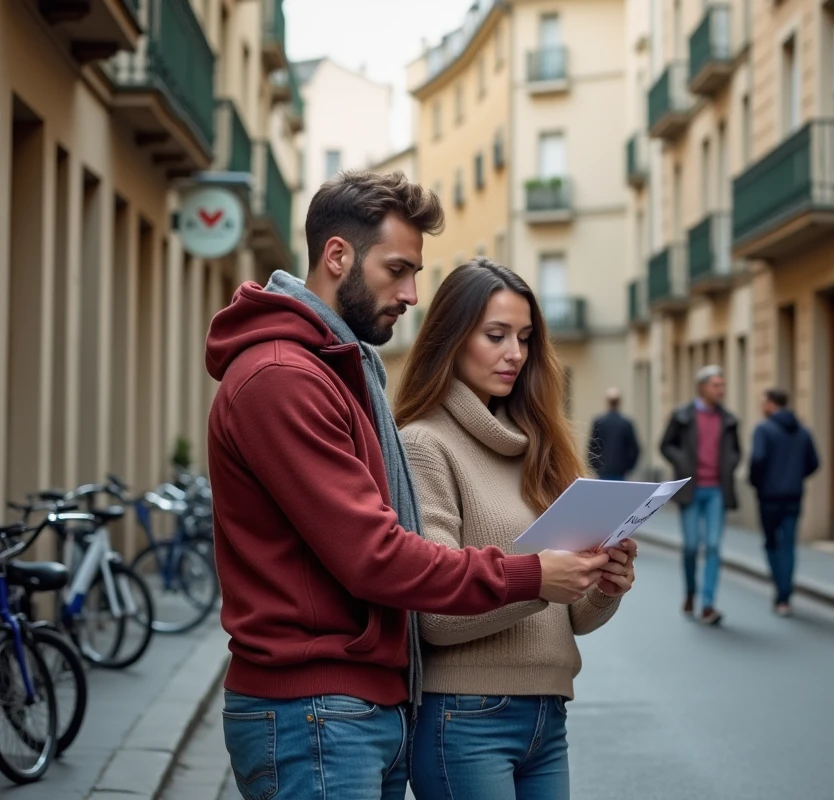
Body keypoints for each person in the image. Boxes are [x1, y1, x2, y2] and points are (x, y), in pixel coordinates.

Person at [204, 172, 611, 800]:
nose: (412, 293)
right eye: (397, 270)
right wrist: (532, 575)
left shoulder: (340, 368)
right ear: (337, 256)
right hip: (314, 710)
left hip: (358, 708)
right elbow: (376, 555)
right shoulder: (284, 378)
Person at [395, 259, 637, 800]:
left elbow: (572, 617)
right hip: (464, 716)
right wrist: (538, 578)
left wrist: (603, 585)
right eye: (496, 335)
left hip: (549, 716)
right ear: (452, 339)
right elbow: (432, 613)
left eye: (525, 338)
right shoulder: (424, 445)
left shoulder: (541, 450)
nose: (516, 354)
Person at [659, 365, 741, 625]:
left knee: (714, 546)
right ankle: (691, 592)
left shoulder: (728, 419)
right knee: (692, 546)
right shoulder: (682, 416)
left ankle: (708, 604)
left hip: (717, 489)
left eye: (722, 385)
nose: (721, 390)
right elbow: (665, 445)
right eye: (716, 385)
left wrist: (729, 463)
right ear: (702, 387)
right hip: (691, 490)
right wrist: (682, 462)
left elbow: (737, 450)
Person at [749, 388, 820, 616]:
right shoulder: (802, 430)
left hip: (769, 496)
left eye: (763, 402)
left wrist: (757, 483)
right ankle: (785, 596)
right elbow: (814, 463)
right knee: (788, 545)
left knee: (771, 543)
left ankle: (780, 590)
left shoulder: (763, 429)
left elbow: (757, 460)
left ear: (770, 404)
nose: (761, 407)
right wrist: (795, 476)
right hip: (793, 495)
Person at [587, 387, 641, 480]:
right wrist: (629, 467)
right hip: (620, 471)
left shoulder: (599, 422)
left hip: (602, 470)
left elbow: (592, 446)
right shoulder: (626, 423)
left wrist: (595, 466)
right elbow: (634, 449)